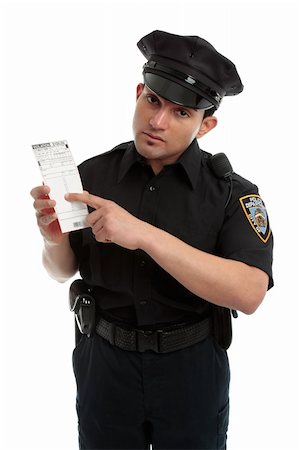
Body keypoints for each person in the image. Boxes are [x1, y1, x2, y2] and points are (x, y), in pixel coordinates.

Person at [30, 30, 274, 450]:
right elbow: (61, 271)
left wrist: (143, 235)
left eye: (182, 113)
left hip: (190, 368)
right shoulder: (94, 175)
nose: (157, 122)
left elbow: (249, 293)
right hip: (104, 364)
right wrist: (54, 241)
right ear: (140, 92)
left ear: (206, 125)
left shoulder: (233, 193)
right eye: (153, 101)